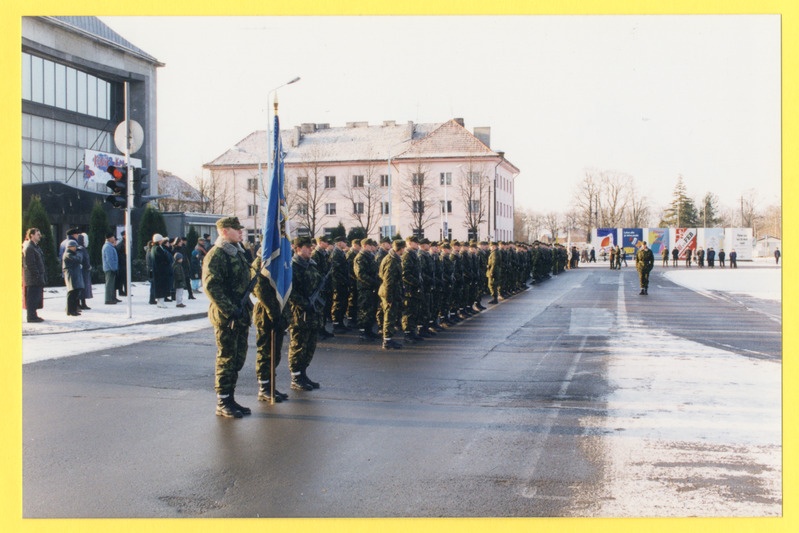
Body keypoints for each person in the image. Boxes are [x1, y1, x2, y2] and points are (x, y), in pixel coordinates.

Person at [202, 217, 253, 419]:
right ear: (224, 231)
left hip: (240, 314)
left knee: (238, 358)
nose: (240, 232)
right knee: (227, 358)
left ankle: (230, 398)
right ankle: (222, 401)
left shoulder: (238, 252)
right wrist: (231, 310)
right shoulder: (217, 254)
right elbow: (211, 287)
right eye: (236, 229)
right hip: (227, 317)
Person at [252, 252, 290, 403]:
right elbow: (260, 290)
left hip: (278, 312)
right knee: (265, 351)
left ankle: (271, 385)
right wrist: (274, 314)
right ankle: (264, 387)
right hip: (266, 314)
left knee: (275, 353)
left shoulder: (278, 262)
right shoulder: (260, 263)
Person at [287, 236, 323, 391]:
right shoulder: (292, 267)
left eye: (311, 247)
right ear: (297, 249)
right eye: (307, 247)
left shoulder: (311, 265)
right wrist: (303, 303)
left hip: (313, 311)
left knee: (310, 345)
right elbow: (289, 291)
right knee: (298, 345)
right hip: (299, 313)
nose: (310, 249)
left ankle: (303, 373)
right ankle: (295, 376)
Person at [379, 239, 405, 349]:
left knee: (391, 315)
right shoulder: (391, 260)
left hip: (392, 291)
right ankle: (387, 341)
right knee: (389, 316)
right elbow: (388, 280)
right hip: (389, 292)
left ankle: (388, 338)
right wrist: (389, 297)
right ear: (401, 248)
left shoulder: (393, 258)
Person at [354, 238, 381, 341]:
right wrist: (374, 282)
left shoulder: (370, 256)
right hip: (365, 288)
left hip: (372, 287)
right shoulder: (360, 257)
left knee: (371, 310)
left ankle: (368, 330)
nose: (372, 247)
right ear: (364, 246)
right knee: (364, 310)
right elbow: (361, 274)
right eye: (369, 245)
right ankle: (363, 332)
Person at [22, 227, 47, 323]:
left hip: (37, 276)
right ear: (31, 235)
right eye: (38, 234)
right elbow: (30, 264)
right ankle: (31, 317)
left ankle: (34, 315)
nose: (40, 236)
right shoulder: (29, 248)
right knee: (32, 297)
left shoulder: (35, 247)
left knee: (36, 297)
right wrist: (37, 275)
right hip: (33, 278)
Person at [62, 239, 84, 316]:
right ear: (69, 247)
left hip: (74, 275)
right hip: (71, 275)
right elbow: (78, 259)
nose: (75, 248)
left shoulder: (72, 253)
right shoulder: (68, 254)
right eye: (74, 247)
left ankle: (73, 309)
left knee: (75, 292)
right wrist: (80, 253)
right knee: (72, 293)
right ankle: (70, 310)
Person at [150, 234, 172, 308]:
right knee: (161, 286)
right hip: (161, 271)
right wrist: (167, 260)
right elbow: (163, 258)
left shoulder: (154, 248)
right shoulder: (157, 249)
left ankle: (160, 301)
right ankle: (160, 302)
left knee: (159, 286)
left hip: (158, 270)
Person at [101, 232, 119, 305]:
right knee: (109, 284)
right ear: (109, 238)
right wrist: (114, 268)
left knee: (111, 284)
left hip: (110, 268)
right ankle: (108, 299)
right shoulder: (108, 247)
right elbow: (109, 259)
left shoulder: (109, 246)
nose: (114, 239)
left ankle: (111, 298)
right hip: (110, 268)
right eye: (113, 237)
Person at [76, 233, 93, 310]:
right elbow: (83, 259)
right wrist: (88, 266)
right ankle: (82, 303)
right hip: (84, 271)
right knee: (83, 287)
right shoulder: (82, 249)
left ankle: (82, 303)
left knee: (83, 287)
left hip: (83, 271)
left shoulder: (79, 248)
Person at [115, 230, 127, 297]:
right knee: (122, 278)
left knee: (125, 278)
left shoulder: (125, 243)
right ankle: (121, 291)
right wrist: (123, 260)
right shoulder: (121, 244)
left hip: (124, 263)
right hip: (122, 264)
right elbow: (119, 254)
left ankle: (125, 291)